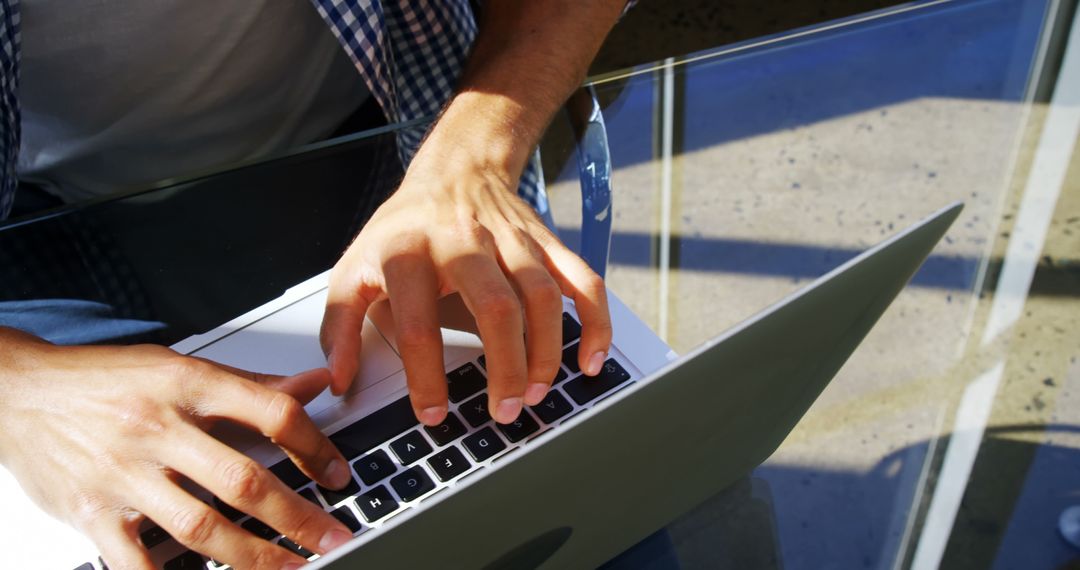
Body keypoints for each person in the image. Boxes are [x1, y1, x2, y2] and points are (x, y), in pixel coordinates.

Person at [0, 2, 632, 568]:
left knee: (600, 479)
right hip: (35, 230)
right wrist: (17, 386)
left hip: (409, 126)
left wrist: (472, 158)